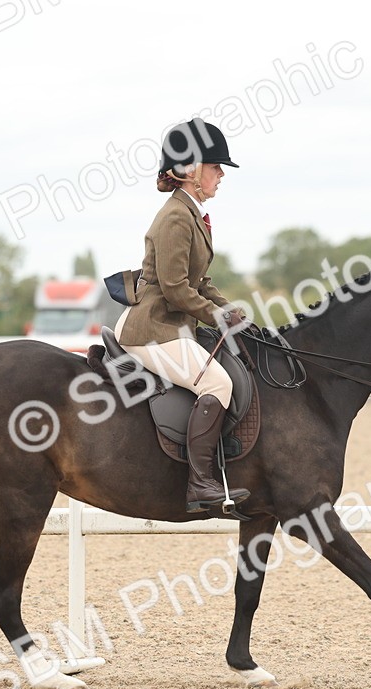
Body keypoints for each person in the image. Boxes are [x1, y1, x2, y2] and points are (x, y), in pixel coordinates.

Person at [115, 118, 251, 513]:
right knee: (218, 383)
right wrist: (216, 318)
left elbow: (199, 281)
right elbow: (175, 289)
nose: (221, 174)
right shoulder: (176, 216)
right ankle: (200, 484)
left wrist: (228, 310)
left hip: (171, 324)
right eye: (215, 166)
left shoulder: (190, 213)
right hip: (153, 328)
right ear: (191, 169)